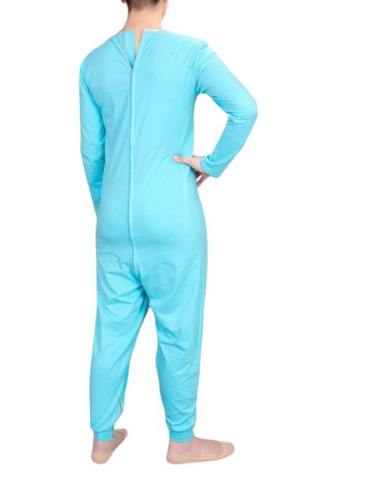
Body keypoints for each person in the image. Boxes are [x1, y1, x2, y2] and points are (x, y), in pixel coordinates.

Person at [79, 0, 258, 464]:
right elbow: (245, 109)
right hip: (172, 217)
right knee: (178, 330)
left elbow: (92, 152)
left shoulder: (93, 64)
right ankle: (181, 441)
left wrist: (108, 210)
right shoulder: (191, 53)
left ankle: (101, 439)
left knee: (111, 330)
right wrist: (211, 164)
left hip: (113, 221)